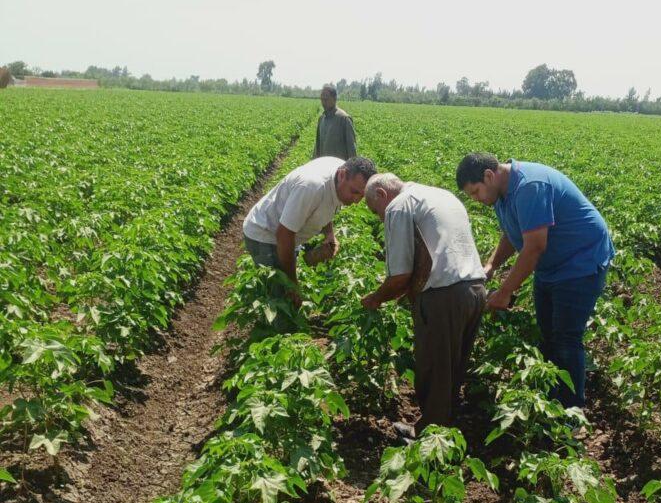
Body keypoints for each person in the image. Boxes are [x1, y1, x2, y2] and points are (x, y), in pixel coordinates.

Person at [456, 152, 615, 408]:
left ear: (489, 176)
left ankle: (572, 411)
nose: (476, 199)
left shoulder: (530, 186)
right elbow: (512, 233)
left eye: (475, 192)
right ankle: (552, 398)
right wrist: (491, 265)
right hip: (551, 267)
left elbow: (534, 247)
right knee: (547, 332)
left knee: (566, 337)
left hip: (580, 263)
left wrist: (506, 291)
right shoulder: (500, 193)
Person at [362, 173, 487, 433]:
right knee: (453, 368)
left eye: (376, 211)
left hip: (443, 295)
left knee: (435, 370)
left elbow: (400, 275)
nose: (379, 218)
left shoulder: (398, 205)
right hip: (475, 289)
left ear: (383, 195)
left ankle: (430, 439)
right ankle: (445, 430)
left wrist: (376, 298)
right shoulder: (442, 195)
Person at [243, 155, 376, 305]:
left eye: (362, 195)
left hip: (288, 233)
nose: (357, 200)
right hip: (265, 235)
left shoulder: (340, 173)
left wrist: (329, 234)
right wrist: (292, 283)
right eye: (354, 192)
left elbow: (328, 201)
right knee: (280, 301)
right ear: (342, 175)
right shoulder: (311, 187)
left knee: (288, 290)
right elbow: (284, 235)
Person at [312, 84, 357, 160]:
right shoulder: (321, 119)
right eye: (322, 99)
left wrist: (352, 169)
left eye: (326, 99)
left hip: (339, 169)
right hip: (323, 166)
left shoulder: (344, 119)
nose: (323, 102)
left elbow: (351, 149)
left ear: (335, 99)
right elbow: (317, 147)